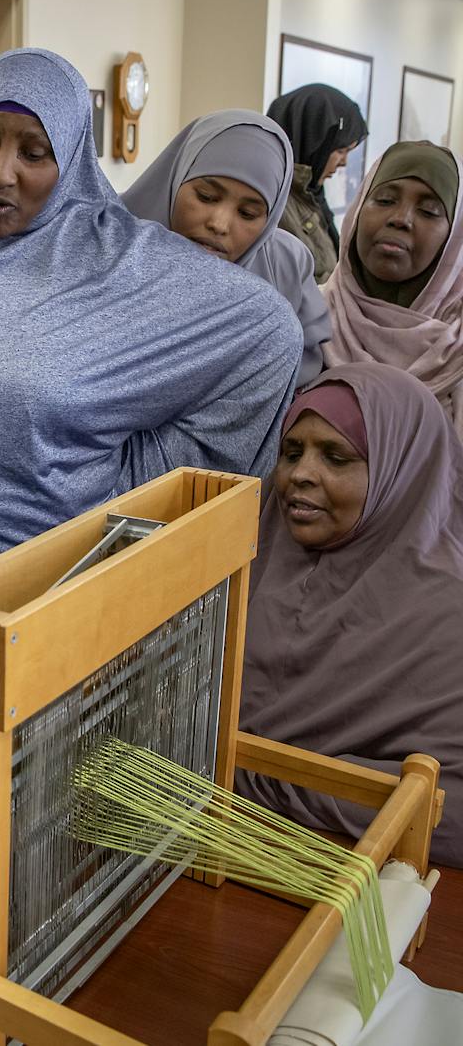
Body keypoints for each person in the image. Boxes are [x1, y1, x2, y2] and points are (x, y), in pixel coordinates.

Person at [0, 48, 301, 561]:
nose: (0, 172)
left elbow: (270, 334)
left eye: (34, 154)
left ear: (72, 160)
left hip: (30, 591)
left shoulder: (116, 268)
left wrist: (136, 484)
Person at [237, 363, 463, 867]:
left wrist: (250, 776)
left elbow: (449, 812)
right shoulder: (242, 566)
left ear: (399, 472)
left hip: (356, 883)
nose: (301, 474)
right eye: (291, 453)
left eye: (336, 457)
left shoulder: (447, 623)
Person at [121, 109, 330, 385]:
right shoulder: (111, 249)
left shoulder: (286, 265)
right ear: (176, 179)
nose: (219, 224)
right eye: (206, 197)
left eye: (248, 214)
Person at [321, 141, 463, 434]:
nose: (400, 219)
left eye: (429, 211)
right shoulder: (308, 319)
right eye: (385, 200)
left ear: (454, 240)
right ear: (358, 208)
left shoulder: (456, 350)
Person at [267, 83, 368, 284]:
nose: (344, 162)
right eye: (340, 150)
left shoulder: (308, 195)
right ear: (315, 142)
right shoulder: (274, 201)